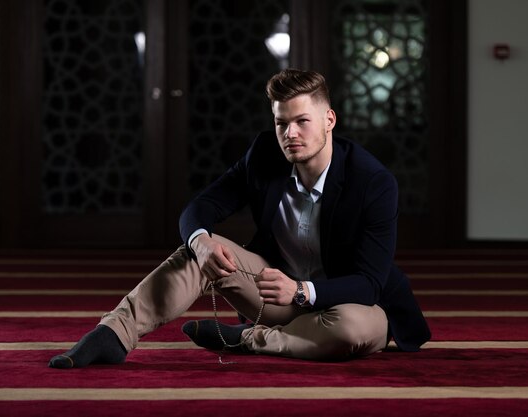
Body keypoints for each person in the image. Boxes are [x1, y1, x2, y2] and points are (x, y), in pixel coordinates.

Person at [48, 68, 431, 369]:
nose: (290, 134)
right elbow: (200, 207)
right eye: (281, 123)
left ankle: (247, 339)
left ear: (329, 119)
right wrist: (199, 242)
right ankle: (113, 335)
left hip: (353, 306)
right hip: (275, 297)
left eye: (303, 121)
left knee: (349, 331)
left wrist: (301, 291)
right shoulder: (265, 154)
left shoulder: (373, 182)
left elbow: (369, 283)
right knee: (202, 247)